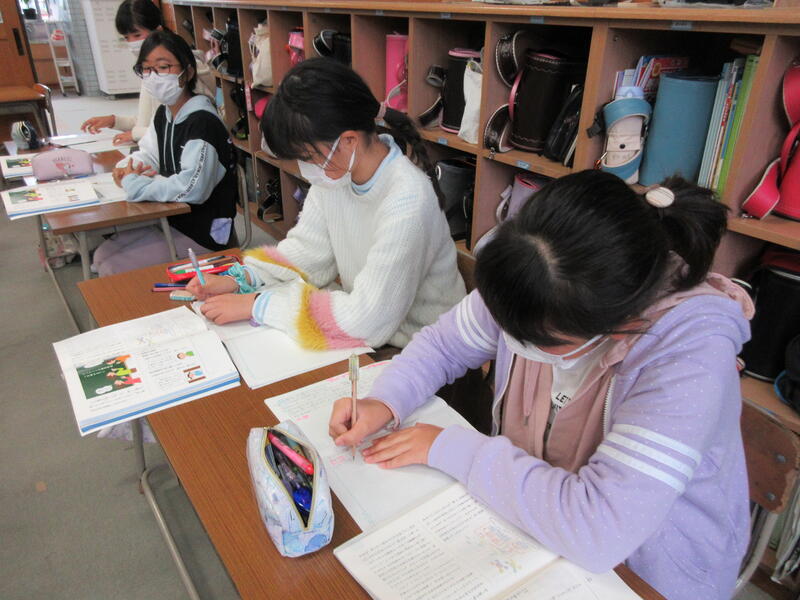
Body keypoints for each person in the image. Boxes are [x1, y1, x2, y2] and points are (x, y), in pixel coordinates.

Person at [329, 170, 754, 600]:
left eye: (537, 340)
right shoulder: (535, 268)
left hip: (642, 575)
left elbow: (599, 528)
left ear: (616, 325)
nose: (513, 342)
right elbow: (443, 345)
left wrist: (451, 448)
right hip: (534, 524)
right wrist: (385, 400)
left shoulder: (690, 352)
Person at [187, 58, 465, 352]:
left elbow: (367, 320)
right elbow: (308, 253)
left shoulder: (407, 201)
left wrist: (259, 304)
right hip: (381, 338)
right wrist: (243, 279)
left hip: (427, 350)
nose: (306, 167)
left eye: (308, 157)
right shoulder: (338, 173)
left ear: (348, 141)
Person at [91, 30, 237, 277]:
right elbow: (149, 153)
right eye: (146, 69)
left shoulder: (202, 124)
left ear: (187, 72)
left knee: (111, 268)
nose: (153, 76)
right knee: (100, 256)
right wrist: (129, 167)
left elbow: (192, 189)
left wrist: (136, 184)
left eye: (163, 67)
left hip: (204, 231)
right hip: (170, 216)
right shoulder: (164, 113)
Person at [80, 0, 214, 145]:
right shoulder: (151, 70)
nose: (132, 43)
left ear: (158, 31)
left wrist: (136, 134)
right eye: (126, 38)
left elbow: (185, 128)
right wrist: (114, 121)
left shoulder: (179, 71)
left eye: (137, 35)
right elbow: (149, 120)